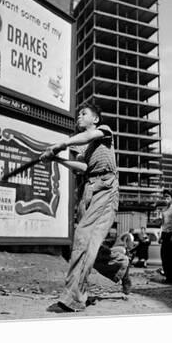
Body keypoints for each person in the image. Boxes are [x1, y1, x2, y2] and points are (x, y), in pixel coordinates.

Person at [40, 102, 128, 312]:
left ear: (95, 119)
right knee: (89, 244)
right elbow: (83, 168)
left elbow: (88, 137)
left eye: (84, 113)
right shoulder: (81, 147)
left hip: (106, 188)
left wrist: (60, 145)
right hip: (88, 190)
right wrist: (57, 160)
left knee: (84, 237)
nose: (79, 116)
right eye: (78, 114)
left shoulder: (104, 131)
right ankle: (120, 265)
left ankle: (73, 298)